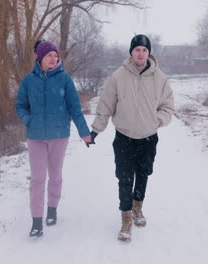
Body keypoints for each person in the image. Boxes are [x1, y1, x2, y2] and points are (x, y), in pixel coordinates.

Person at [90, 34, 175, 242]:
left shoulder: (159, 78)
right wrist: (95, 130)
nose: (140, 53)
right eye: (137, 49)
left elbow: (168, 106)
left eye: (144, 50)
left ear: (149, 53)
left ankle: (138, 208)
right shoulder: (118, 76)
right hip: (124, 137)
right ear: (131, 52)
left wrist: (157, 121)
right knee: (125, 177)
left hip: (148, 137)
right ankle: (126, 218)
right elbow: (106, 105)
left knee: (143, 174)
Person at [16, 40, 93, 237]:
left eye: (55, 55)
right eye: (49, 55)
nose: (53, 58)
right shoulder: (28, 81)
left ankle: (52, 209)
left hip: (59, 136)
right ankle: (36, 222)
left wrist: (85, 133)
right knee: (37, 179)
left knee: (55, 176)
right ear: (39, 57)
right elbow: (20, 106)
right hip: (36, 137)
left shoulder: (65, 80)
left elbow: (75, 109)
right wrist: (28, 120)